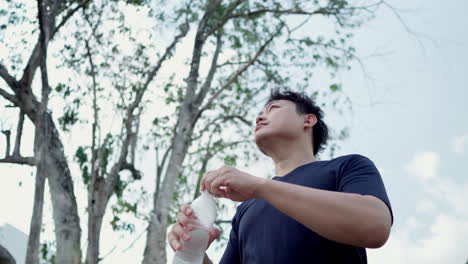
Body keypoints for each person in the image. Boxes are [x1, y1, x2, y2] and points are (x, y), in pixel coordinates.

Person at [168, 89, 393, 264]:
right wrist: (194, 253)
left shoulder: (347, 166)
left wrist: (260, 187)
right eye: (260, 113)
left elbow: (375, 225)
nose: (259, 117)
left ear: (308, 120)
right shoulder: (246, 209)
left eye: (273, 108)